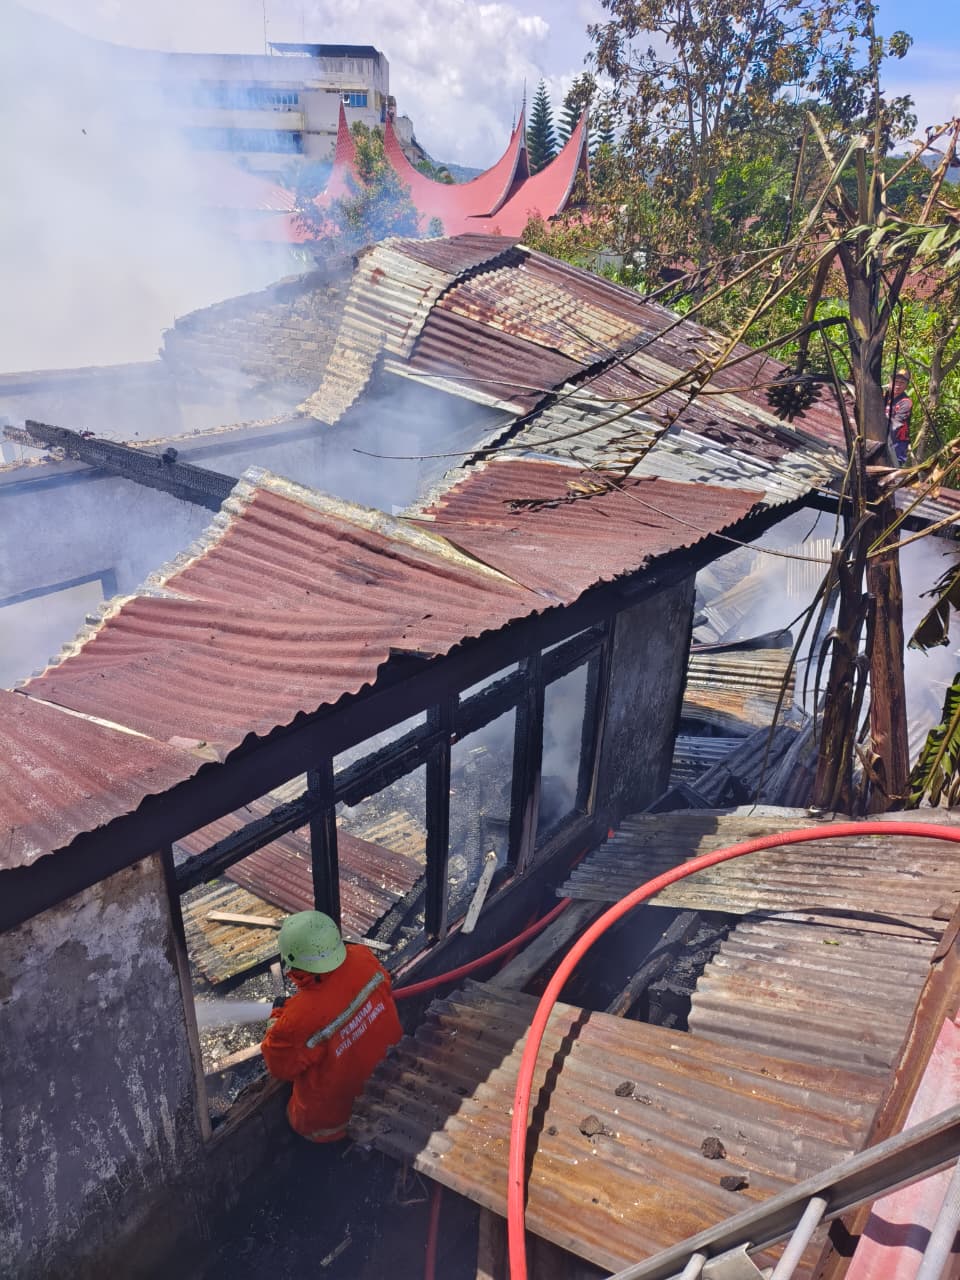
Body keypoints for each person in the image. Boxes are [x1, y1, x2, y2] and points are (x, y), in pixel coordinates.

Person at [261, 910, 402, 1143]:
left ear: (291, 962)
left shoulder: (297, 1018)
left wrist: (276, 1017)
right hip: (388, 1077)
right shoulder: (363, 957)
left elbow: (279, 1068)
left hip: (333, 1123)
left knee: (296, 1119)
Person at [884, 369, 913, 465]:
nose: (898, 385)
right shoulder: (884, 397)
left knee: (893, 470)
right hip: (882, 439)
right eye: (895, 381)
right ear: (890, 382)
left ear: (906, 386)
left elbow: (896, 424)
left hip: (897, 443)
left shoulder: (906, 402)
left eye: (902, 382)